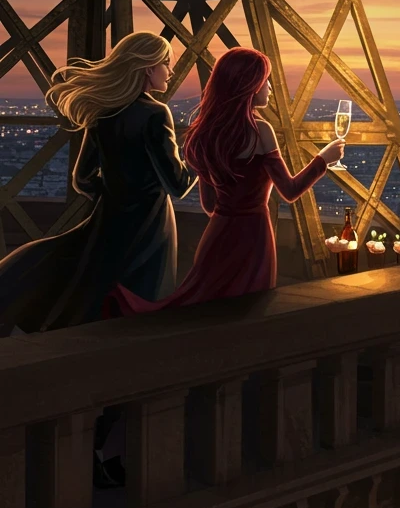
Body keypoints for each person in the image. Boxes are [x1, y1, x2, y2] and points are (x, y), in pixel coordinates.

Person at [108, 47, 344, 314]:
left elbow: (210, 206)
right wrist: (323, 159)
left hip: (217, 237)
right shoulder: (260, 130)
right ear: (249, 86)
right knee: (250, 312)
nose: (269, 87)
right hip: (255, 237)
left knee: (208, 312)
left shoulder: (206, 133)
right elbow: (290, 191)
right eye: (265, 80)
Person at [0, 32, 195, 334]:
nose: (170, 71)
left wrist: (115, 198)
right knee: (144, 299)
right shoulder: (156, 113)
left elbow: (82, 179)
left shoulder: (104, 112)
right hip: (151, 222)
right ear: (148, 68)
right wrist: (199, 158)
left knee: (97, 291)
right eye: (166, 64)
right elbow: (178, 184)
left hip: (110, 218)